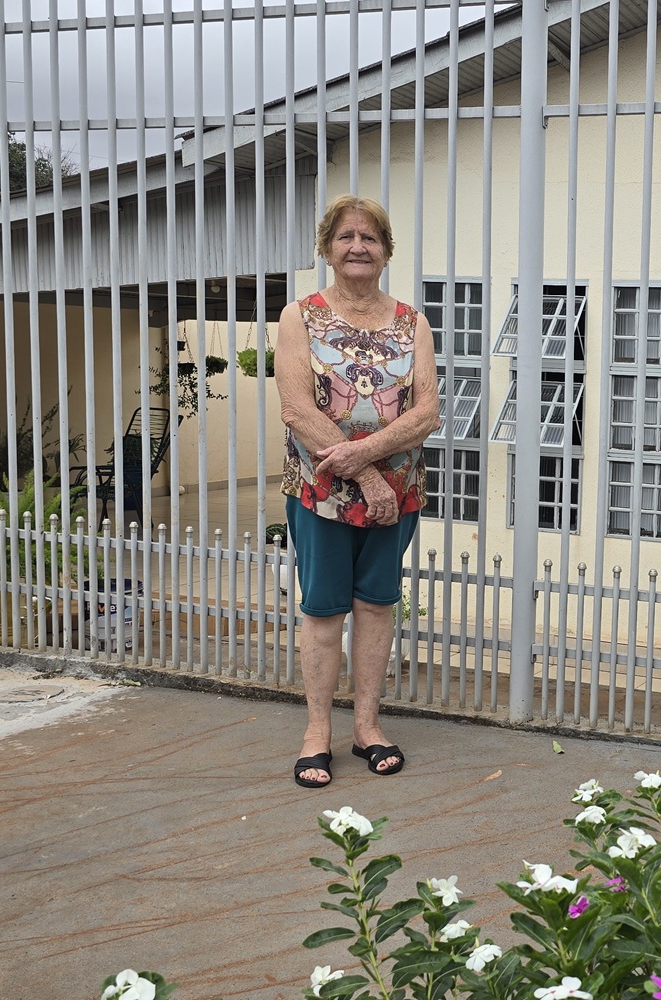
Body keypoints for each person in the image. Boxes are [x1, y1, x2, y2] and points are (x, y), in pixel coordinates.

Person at [276, 194, 440, 788]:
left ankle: (367, 726)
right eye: (345, 237)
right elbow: (297, 408)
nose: (357, 247)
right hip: (323, 491)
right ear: (327, 247)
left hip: (398, 494)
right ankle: (316, 732)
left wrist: (373, 463)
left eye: (369, 238)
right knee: (324, 609)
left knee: (377, 604)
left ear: (386, 250)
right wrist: (364, 474)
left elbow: (427, 411)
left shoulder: (410, 321)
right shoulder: (301, 317)